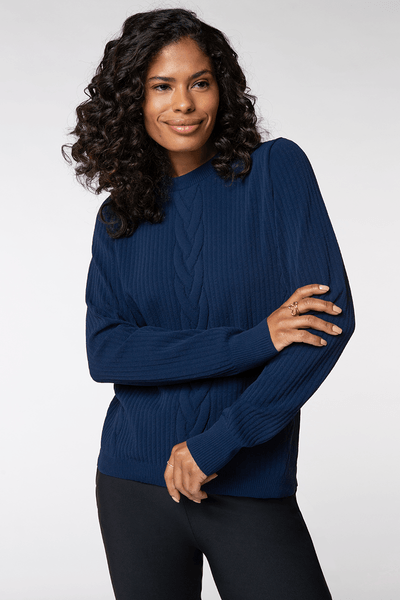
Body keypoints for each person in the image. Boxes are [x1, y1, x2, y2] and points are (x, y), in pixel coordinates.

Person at [64, 8, 355, 600]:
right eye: (161, 86)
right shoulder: (119, 216)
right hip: (132, 482)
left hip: (244, 477)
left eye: (200, 82)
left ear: (222, 89)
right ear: (133, 100)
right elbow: (107, 352)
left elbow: (328, 323)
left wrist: (219, 442)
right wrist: (253, 340)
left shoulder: (275, 171)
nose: (184, 104)